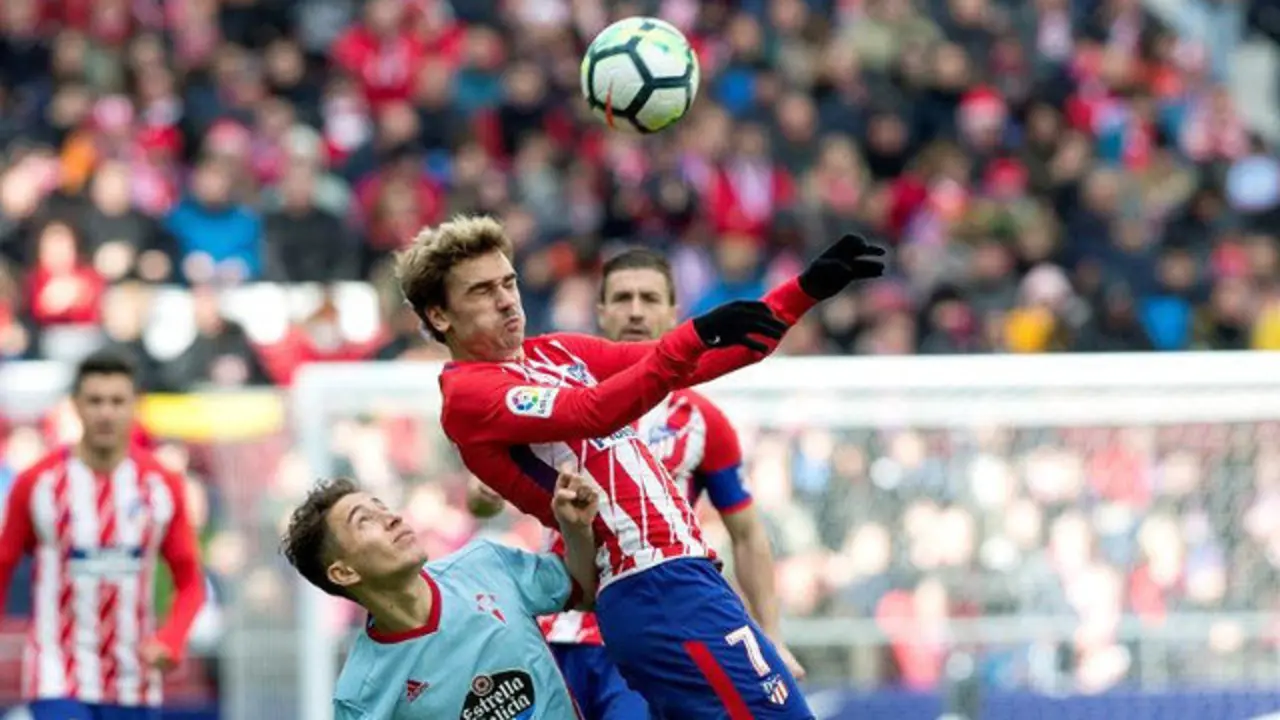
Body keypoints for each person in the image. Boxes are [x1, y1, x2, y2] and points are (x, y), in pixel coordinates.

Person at [397, 214, 884, 719]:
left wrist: (802, 292)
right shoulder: (467, 396)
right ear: (439, 316)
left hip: (683, 581)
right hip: (646, 588)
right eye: (481, 291)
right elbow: (594, 411)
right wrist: (699, 332)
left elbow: (694, 362)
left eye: (509, 282)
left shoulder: (556, 352)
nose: (505, 300)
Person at [468, 247, 805, 719]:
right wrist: (483, 497)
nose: (635, 311)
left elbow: (747, 534)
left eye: (649, 298)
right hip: (559, 628)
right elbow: (484, 498)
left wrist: (772, 635)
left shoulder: (703, 422)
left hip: (651, 623)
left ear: (674, 312)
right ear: (600, 312)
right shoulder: (546, 397)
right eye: (622, 298)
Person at [279, 469, 601, 719]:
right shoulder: (360, 696)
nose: (392, 518)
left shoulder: (485, 563)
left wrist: (576, 529)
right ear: (344, 572)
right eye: (365, 522)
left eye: (382, 507)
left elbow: (583, 590)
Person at [0, 351, 207, 720]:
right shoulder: (38, 483)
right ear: (76, 406)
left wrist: (170, 639)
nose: (106, 412)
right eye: (95, 401)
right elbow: (3, 564)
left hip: (134, 678)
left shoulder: (162, 485)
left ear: (134, 406)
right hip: (56, 673)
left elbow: (190, 580)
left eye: (117, 401)